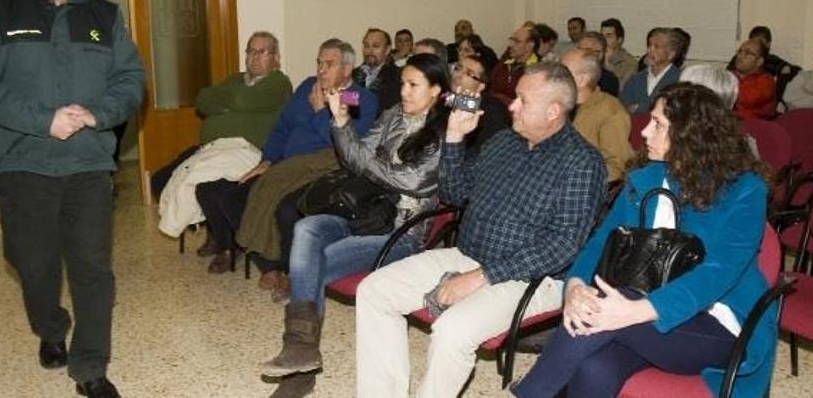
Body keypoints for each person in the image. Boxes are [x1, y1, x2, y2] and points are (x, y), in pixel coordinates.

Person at [0, 0, 145, 398]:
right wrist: (42, 120)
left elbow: (131, 78)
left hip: (88, 165)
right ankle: (51, 328)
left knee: (93, 269)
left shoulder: (105, 14)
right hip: (24, 165)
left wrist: (98, 113)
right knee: (33, 264)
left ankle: (90, 368)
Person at [354, 62, 608, 398]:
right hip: (468, 255)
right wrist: (456, 137)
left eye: (521, 100)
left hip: (532, 278)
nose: (511, 106)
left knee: (452, 331)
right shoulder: (504, 142)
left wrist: (480, 277)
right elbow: (455, 194)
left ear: (553, 111)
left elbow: (563, 245)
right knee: (374, 290)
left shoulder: (581, 163)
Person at [512, 82, 774, 398]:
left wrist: (637, 310)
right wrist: (575, 288)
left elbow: (717, 274)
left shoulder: (744, 190)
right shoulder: (647, 179)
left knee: (605, 310)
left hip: (719, 324)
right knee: (593, 368)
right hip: (640, 315)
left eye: (658, 125)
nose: (645, 133)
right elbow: (600, 243)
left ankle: (529, 393)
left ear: (692, 136)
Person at [260, 53, 450, 398]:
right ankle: (301, 350)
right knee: (307, 229)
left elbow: (405, 179)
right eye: (403, 84)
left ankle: (300, 373)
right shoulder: (393, 115)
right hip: (365, 213)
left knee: (309, 267)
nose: (404, 92)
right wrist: (340, 119)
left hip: (400, 232)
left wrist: (355, 144)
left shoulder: (442, 136)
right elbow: (354, 156)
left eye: (413, 85)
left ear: (436, 90)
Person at [195, 39, 377, 274]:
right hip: (283, 165)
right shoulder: (307, 87)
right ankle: (268, 264)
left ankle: (288, 270)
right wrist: (267, 160)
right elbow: (282, 128)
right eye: (319, 63)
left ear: (347, 69)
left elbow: (343, 144)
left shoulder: (359, 99)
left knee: (286, 208)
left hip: (322, 169)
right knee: (233, 198)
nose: (321, 70)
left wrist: (321, 111)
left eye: (329, 64)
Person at [152, 32, 292, 243]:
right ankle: (210, 226)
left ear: (276, 58)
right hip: (211, 147)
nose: (254, 57)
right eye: (250, 51)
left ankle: (224, 242)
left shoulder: (279, 83)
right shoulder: (236, 79)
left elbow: (242, 100)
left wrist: (228, 103)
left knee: (208, 188)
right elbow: (202, 99)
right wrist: (234, 102)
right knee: (160, 179)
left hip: (247, 150)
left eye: (261, 52)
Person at [563, 49, 633, 182]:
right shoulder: (556, 105)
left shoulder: (611, 111)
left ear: (582, 80)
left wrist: (575, 177)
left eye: (563, 73)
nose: (555, 78)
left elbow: (617, 167)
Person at [450, 55, 510, 156]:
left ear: (481, 86)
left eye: (469, 74)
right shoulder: (447, 99)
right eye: (457, 68)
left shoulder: (492, 110)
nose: (459, 75)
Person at [620, 27, 681, 114]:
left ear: (671, 54)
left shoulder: (680, 79)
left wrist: (639, 107)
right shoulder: (635, 79)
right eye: (649, 45)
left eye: (656, 47)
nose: (650, 50)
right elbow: (623, 110)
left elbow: (672, 111)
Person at [488, 25, 540, 107]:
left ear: (530, 45)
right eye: (511, 40)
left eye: (517, 41)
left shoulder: (537, 70)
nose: (511, 45)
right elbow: (490, 88)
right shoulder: (503, 64)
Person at [352, 27, 402, 111]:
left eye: (376, 46)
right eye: (366, 46)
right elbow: (344, 102)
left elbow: (387, 106)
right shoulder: (352, 74)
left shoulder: (398, 76)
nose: (369, 51)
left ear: (387, 49)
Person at [732, 38, 776, 119]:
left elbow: (747, 99)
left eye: (747, 53)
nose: (740, 56)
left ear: (759, 61)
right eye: (739, 51)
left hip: (754, 128)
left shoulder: (766, 81)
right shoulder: (730, 75)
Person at [577, 31, 620, 97]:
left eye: (586, 50)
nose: (580, 54)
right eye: (579, 49)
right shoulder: (571, 74)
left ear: (600, 55)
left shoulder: (609, 80)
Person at [600, 18, 637, 89]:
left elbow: (623, 90)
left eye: (609, 36)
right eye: (602, 36)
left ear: (619, 40)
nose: (603, 40)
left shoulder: (630, 63)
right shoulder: (595, 57)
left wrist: (607, 65)